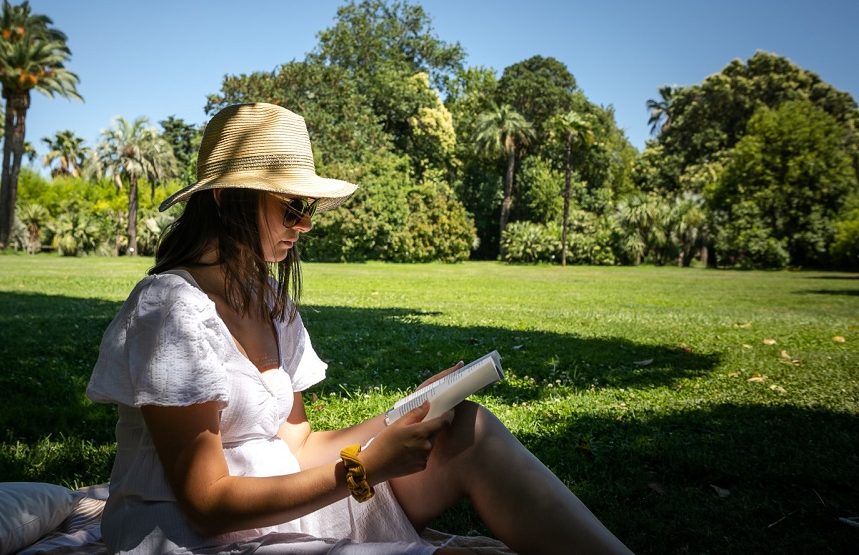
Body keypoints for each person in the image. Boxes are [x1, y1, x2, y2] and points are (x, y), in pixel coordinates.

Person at [86, 102, 632, 555]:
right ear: (228, 200)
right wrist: (364, 469)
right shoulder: (170, 311)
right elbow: (206, 506)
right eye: (292, 207)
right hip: (198, 540)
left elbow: (299, 446)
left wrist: (406, 412)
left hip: (285, 503)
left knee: (466, 428)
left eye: (309, 210)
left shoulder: (268, 300)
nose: (303, 225)